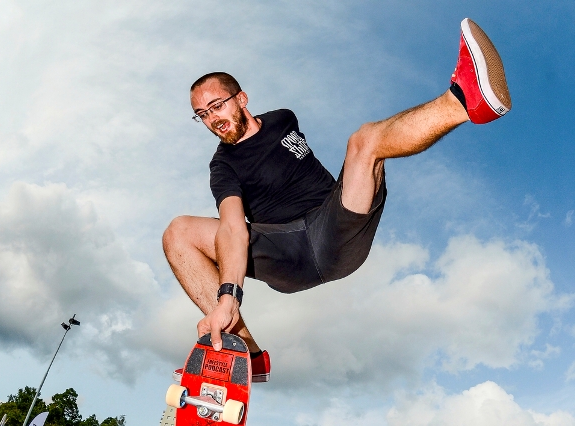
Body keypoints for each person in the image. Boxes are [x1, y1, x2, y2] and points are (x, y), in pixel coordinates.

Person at [164, 19, 511, 379]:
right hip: (283, 251)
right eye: (202, 115)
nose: (212, 119)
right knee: (178, 232)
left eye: (217, 106)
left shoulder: (283, 119)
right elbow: (233, 228)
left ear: (242, 99)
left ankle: (463, 102)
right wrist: (227, 298)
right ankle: (242, 355)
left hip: (334, 229)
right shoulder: (223, 166)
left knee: (365, 141)